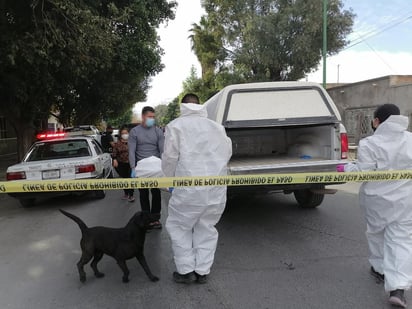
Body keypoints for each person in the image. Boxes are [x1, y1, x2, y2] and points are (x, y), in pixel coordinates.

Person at [338, 104, 412, 308]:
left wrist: (344, 167)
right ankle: (398, 288)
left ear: (377, 121)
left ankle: (379, 268)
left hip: (377, 201)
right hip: (406, 201)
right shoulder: (410, 140)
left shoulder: (370, 143)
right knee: (401, 241)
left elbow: (363, 172)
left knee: (376, 234)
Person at [162, 93, 232, 284]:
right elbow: (227, 153)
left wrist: (168, 181)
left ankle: (185, 271)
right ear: (199, 105)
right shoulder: (217, 127)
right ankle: (202, 271)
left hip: (189, 190)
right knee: (207, 228)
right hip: (216, 190)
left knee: (179, 226)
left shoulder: (176, 126)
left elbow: (169, 158)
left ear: (182, 107)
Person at [128, 106, 164, 229]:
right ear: (143, 117)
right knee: (143, 194)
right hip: (141, 168)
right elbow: (131, 151)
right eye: (150, 117)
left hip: (156, 167)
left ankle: (155, 219)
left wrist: (165, 167)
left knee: (156, 193)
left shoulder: (158, 131)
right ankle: (146, 220)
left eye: (153, 117)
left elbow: (162, 150)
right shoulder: (135, 132)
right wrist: (133, 167)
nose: (152, 119)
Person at [111, 127, 134, 202]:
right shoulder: (117, 144)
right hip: (121, 164)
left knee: (130, 178)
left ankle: (131, 195)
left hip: (131, 163)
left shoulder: (132, 142)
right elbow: (114, 153)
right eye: (123, 133)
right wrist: (114, 160)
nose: (125, 135)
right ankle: (126, 193)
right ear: (120, 135)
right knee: (124, 179)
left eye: (126, 133)